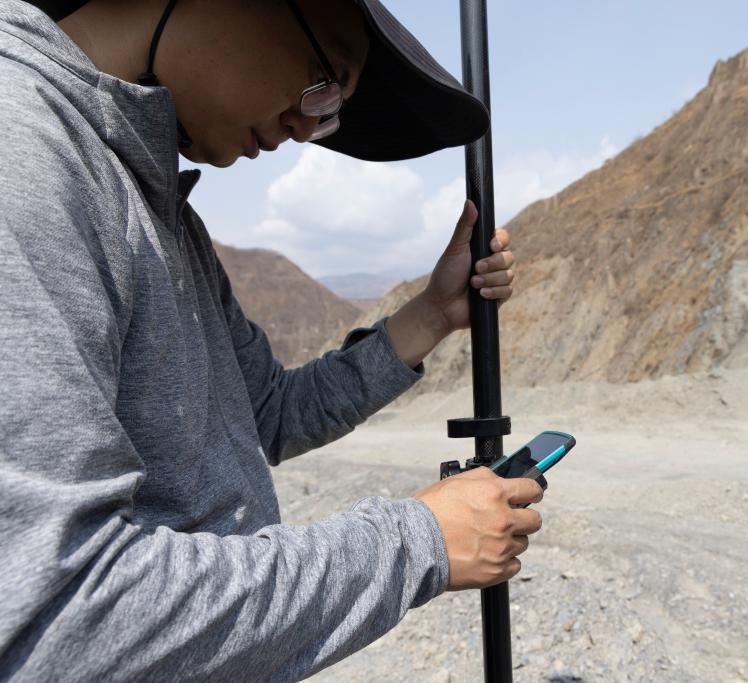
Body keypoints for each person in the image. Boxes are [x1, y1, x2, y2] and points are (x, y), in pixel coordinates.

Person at [0, 0, 542, 679]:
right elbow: (57, 613)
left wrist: (433, 313)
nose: (311, 123)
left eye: (333, 104)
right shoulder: (23, 155)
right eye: (326, 73)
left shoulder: (161, 212)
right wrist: (415, 541)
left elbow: (265, 415)